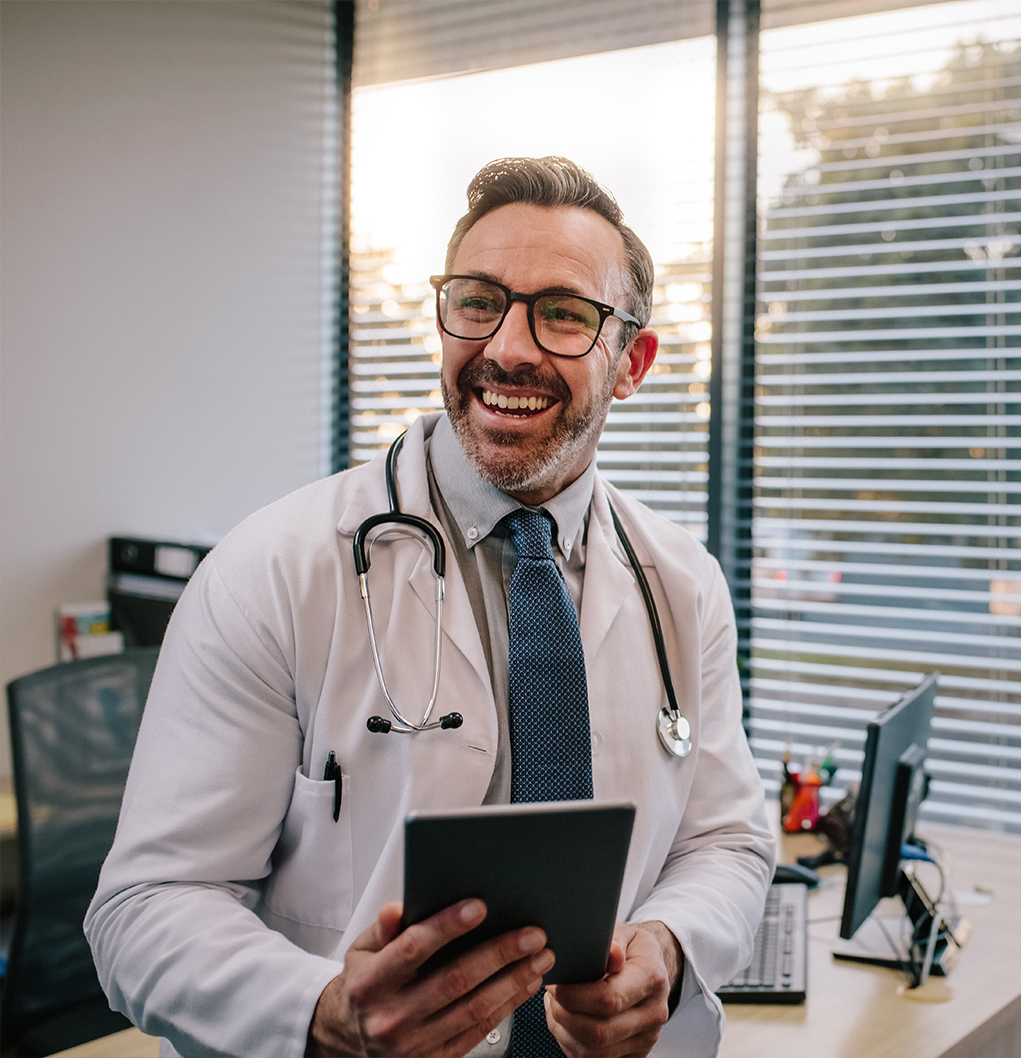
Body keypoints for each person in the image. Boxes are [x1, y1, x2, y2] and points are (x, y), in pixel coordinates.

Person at [86, 156, 774, 1058]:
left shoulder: (680, 582)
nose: (509, 348)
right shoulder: (272, 570)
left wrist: (671, 947)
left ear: (631, 363)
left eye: (563, 314)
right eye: (478, 301)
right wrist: (320, 1012)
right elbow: (143, 910)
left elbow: (725, 841)